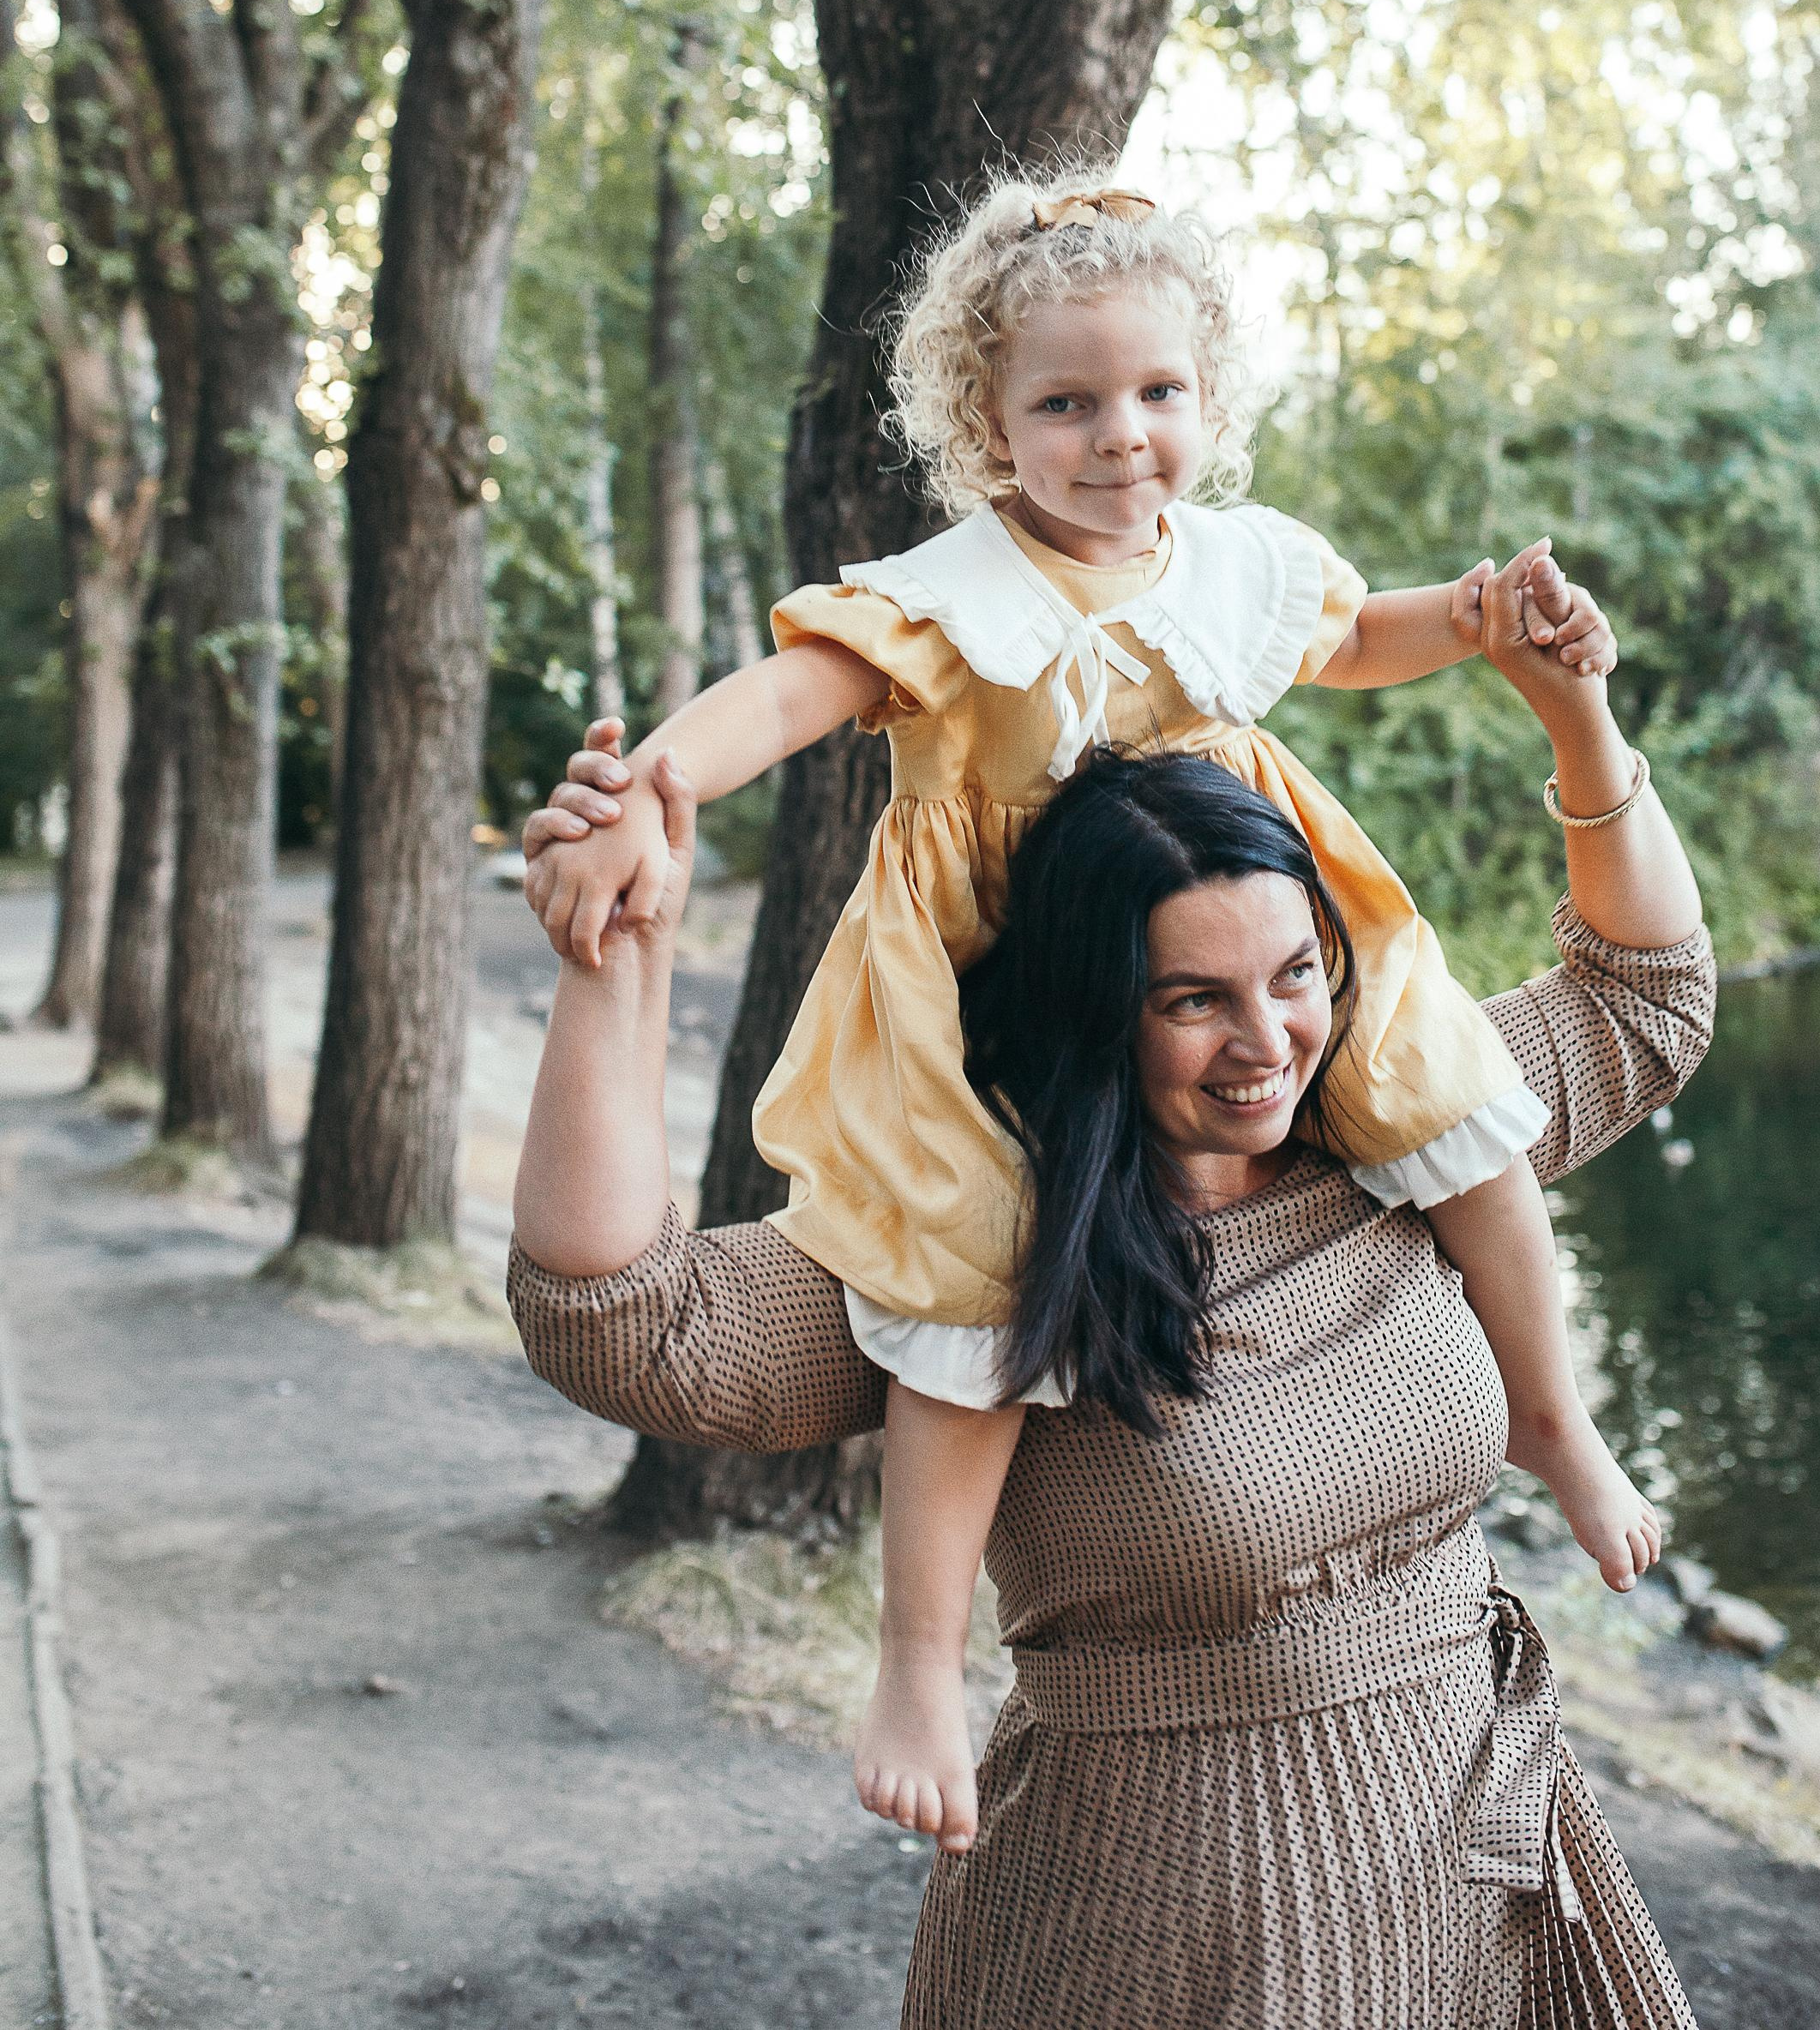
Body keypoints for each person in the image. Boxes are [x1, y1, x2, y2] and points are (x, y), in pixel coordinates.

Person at [525, 174, 1656, 1859]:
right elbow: (792, 691)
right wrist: (652, 788)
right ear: (988, 424)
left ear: (1206, 396)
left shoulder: (1234, 564)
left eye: (1156, 394)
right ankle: (916, 1659)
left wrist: (1487, 628)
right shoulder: (952, 592)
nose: (1120, 437)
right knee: (974, 1272)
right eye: (1066, 401)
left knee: (1455, 1093)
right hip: (1020, 976)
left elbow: (1351, 639)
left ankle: (1554, 1417)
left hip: (1241, 915)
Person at [510, 550, 1711, 2030]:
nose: (1267, 1041)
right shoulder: (983, 1259)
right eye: (1191, 1000)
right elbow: (628, 1328)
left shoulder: (1396, 1137)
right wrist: (615, 967)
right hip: (1146, 1953)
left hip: (1475, 1897)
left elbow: (1644, 1002)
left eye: (1294, 974)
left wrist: (1574, 718)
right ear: (1094, 1013)